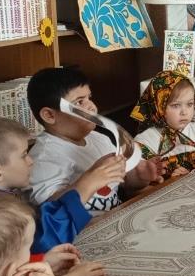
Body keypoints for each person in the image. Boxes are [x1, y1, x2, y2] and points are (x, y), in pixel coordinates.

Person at [0, 118, 109, 270]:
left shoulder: (1, 198)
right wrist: (86, 186)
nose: (31, 161)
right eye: (24, 155)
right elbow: (44, 241)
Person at [26, 67, 162, 215]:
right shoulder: (43, 159)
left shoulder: (99, 138)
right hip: (85, 227)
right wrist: (92, 177)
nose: (91, 106)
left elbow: (123, 184)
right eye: (79, 102)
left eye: (89, 98)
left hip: (114, 217)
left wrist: (140, 176)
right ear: (49, 115)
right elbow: (52, 214)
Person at [131, 71, 195, 180]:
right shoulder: (144, 142)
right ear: (158, 106)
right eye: (176, 105)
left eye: (190, 104)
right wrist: (171, 181)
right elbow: (137, 188)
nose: (184, 112)